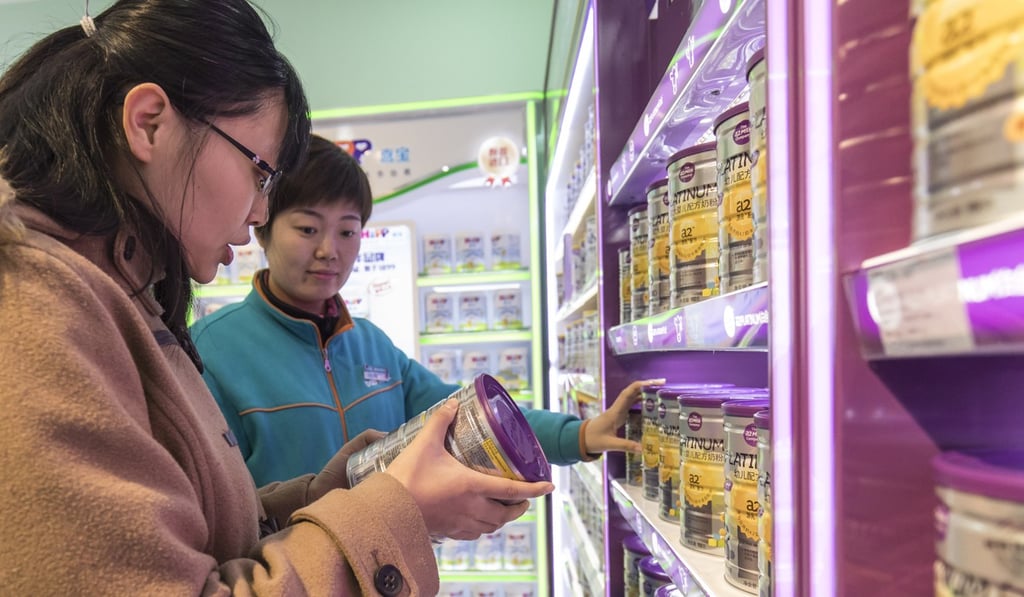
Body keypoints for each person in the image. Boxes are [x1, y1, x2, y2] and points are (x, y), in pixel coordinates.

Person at [0, 2, 553, 595]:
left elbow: (203, 532)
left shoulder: (121, 294)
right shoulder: (32, 303)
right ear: (149, 123)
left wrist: (341, 493)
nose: (260, 212)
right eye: (260, 173)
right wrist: (395, 513)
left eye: (347, 231)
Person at [190, 134, 661, 486]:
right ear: (263, 228)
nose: (329, 251)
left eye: (347, 232)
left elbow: (463, 413)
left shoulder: (371, 344)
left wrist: (580, 435)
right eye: (308, 229)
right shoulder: (212, 349)